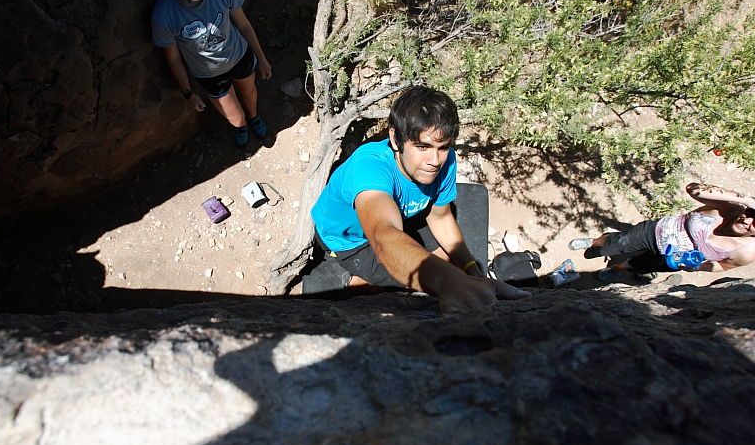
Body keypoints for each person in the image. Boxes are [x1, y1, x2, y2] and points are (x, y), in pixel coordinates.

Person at [311, 86, 530, 311]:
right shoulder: (369, 169)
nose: (434, 160)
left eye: (442, 147)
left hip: (400, 216)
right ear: (395, 139)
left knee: (448, 260)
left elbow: (441, 216)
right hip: (351, 239)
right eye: (422, 146)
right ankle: (348, 281)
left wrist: (472, 271)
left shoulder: (445, 161)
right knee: (415, 282)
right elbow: (383, 237)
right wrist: (450, 282)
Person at [151, 0, 273, 148]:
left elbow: (243, 25)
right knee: (236, 118)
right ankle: (242, 127)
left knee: (249, 93)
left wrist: (262, 59)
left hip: (239, 56)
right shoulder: (165, 14)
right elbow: (173, 59)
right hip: (209, 75)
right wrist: (188, 93)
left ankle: (254, 117)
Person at [569, 182, 755, 278]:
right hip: (653, 232)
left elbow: (723, 266)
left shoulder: (746, 252)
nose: (747, 219)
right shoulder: (728, 209)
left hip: (671, 260)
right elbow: (694, 189)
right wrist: (745, 200)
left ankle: (617, 268)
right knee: (611, 246)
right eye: (751, 213)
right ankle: (596, 241)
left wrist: (696, 266)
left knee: (636, 267)